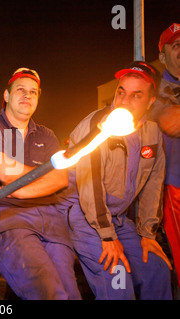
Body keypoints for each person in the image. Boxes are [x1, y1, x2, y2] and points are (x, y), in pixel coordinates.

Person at [57, 61, 172, 300]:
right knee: (118, 282)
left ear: (150, 102)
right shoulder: (98, 126)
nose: (124, 101)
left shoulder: (152, 134)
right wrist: (107, 237)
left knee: (157, 270)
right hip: (82, 216)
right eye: (121, 92)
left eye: (135, 95)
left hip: (117, 219)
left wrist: (148, 234)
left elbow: (153, 185)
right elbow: (90, 187)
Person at [0, 68, 81, 300]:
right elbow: (3, 171)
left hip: (51, 220)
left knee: (71, 293)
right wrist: (44, 177)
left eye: (33, 92)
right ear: (6, 95)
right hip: (10, 218)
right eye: (20, 90)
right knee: (49, 293)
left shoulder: (46, 135)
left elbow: (61, 178)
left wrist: (21, 191)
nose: (27, 95)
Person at [149, 23, 180, 290]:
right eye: (176, 45)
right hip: (176, 186)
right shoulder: (157, 94)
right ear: (162, 56)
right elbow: (171, 121)